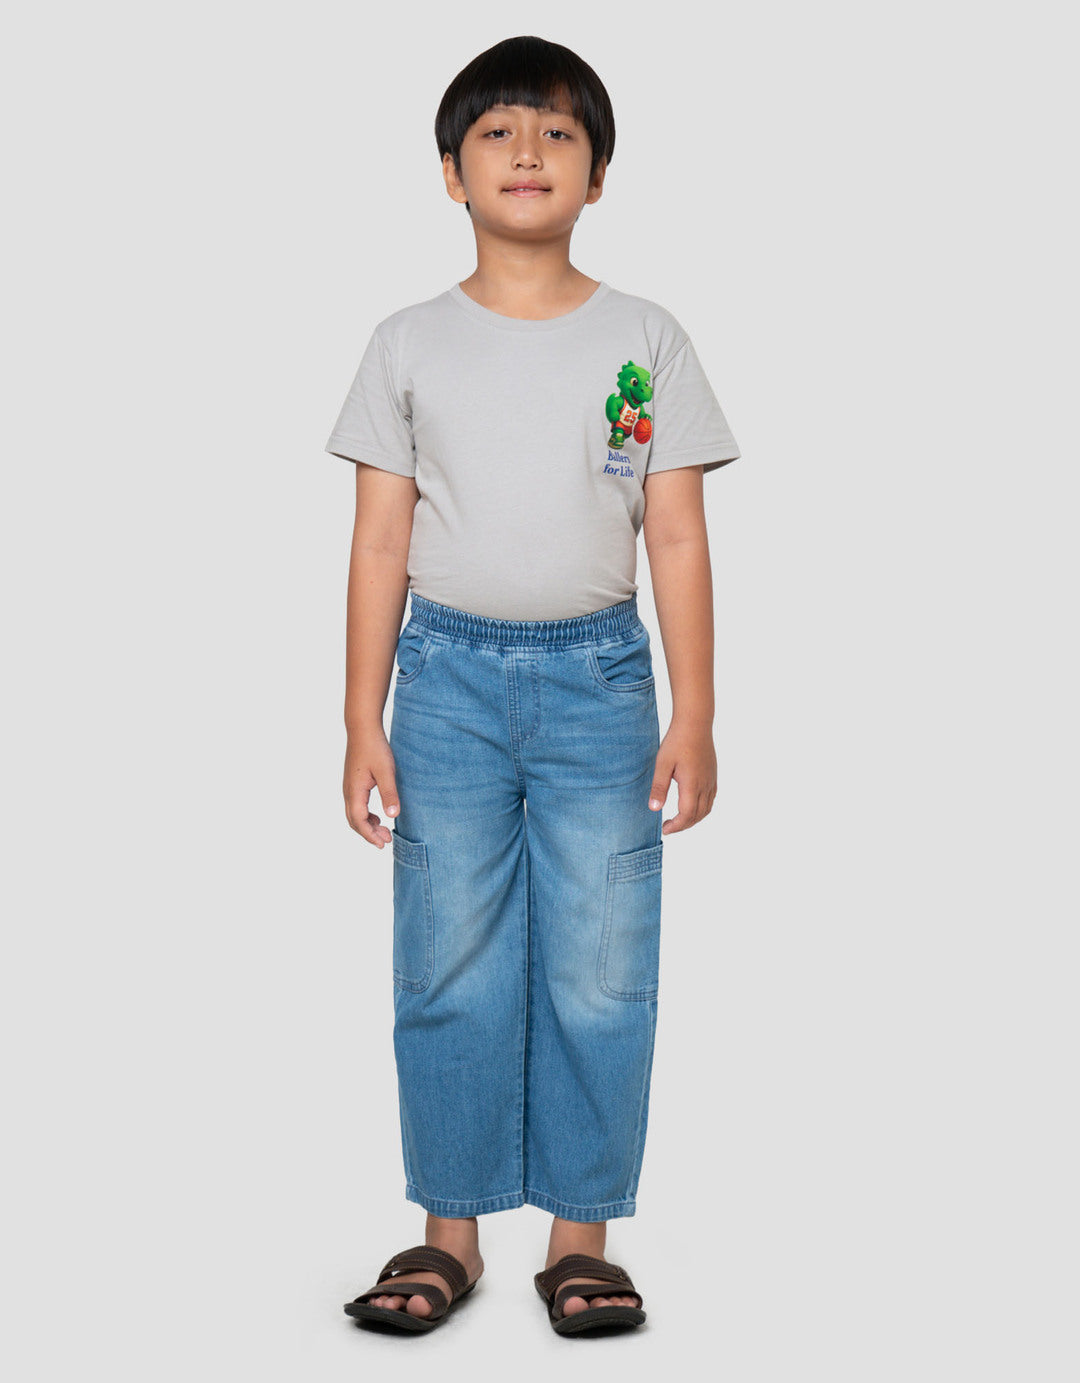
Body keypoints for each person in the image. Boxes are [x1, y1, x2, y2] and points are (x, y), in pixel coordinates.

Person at [325, 34, 741, 1337]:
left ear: (598, 175)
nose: (527, 150)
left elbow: (674, 533)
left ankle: (581, 1238)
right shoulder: (406, 344)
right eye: (497, 130)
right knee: (447, 959)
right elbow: (379, 541)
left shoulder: (645, 340)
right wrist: (359, 718)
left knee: (601, 968)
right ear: (451, 172)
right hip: (443, 684)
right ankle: (448, 1230)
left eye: (559, 132)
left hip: (600, 686)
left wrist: (695, 713)